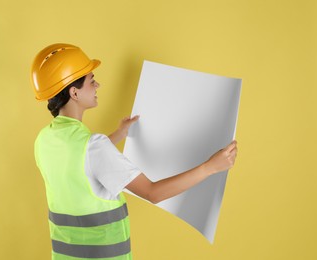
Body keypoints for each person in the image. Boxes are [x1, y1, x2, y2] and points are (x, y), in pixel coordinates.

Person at [31, 43, 238, 260]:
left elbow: (81, 163)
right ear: (74, 92)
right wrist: (210, 167)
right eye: (92, 81)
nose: (98, 85)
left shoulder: (44, 139)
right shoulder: (94, 146)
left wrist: (119, 134)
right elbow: (153, 193)